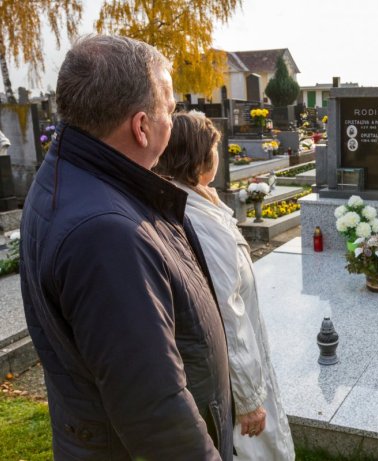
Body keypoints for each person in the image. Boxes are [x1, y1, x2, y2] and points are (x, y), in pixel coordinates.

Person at [19, 35, 233, 460]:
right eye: (169, 111)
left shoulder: (78, 176)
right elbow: (156, 412)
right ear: (140, 126)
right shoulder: (107, 233)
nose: (173, 121)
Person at [154, 111, 295, 461]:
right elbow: (227, 317)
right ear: (201, 159)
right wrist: (249, 399)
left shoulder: (198, 202)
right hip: (231, 381)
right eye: (215, 148)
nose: (219, 154)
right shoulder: (201, 223)